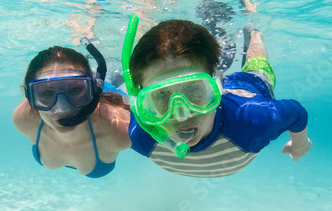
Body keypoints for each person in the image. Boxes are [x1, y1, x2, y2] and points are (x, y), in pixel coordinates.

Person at [122, 15, 312, 178]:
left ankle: (255, 35)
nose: (181, 114)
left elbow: (297, 114)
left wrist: (299, 144)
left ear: (218, 86)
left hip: (248, 87)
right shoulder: (141, 136)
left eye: (194, 91)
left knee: (258, 65)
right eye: (161, 97)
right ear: (141, 104)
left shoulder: (255, 119)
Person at [13, 39, 130, 178]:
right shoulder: (23, 119)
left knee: (119, 83)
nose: (62, 108)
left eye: (75, 89)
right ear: (30, 97)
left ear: (93, 91)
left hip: (106, 95)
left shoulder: (119, 128)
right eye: (47, 93)